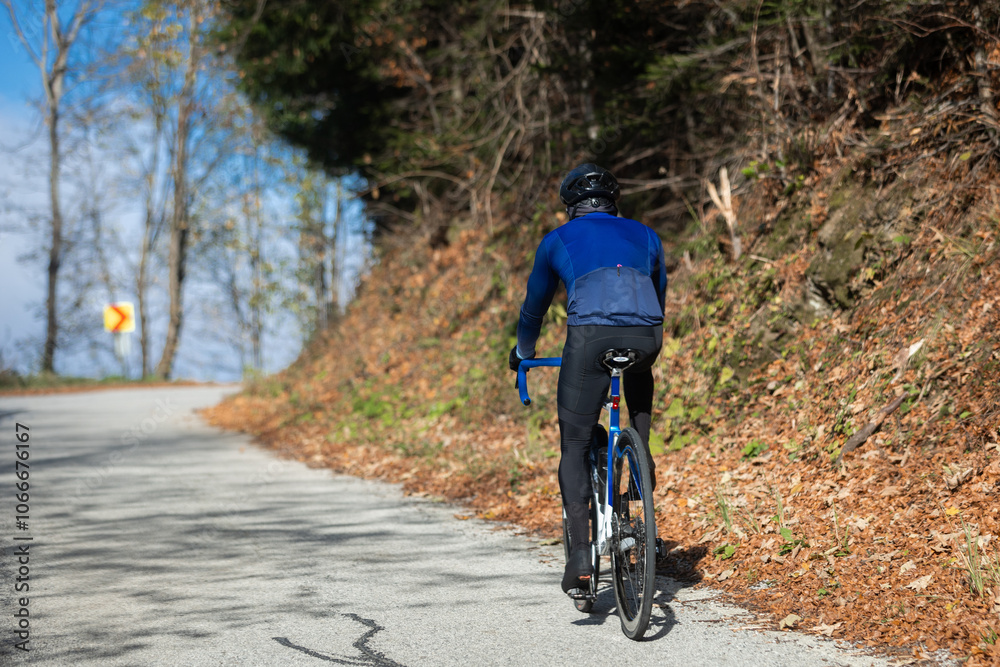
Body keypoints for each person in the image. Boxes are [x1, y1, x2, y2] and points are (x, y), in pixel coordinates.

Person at [508, 163, 667, 594]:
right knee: (639, 369)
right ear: (614, 202)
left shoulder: (556, 240)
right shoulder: (648, 235)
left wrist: (523, 353)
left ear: (570, 205)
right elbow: (659, 298)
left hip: (590, 337)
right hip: (647, 335)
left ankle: (581, 554)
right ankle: (642, 456)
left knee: (575, 443)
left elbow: (533, 311)